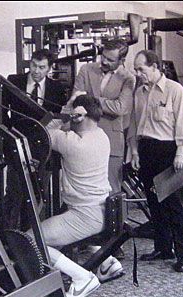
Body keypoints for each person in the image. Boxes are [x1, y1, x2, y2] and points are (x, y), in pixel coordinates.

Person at [27, 93, 124, 297]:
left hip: (85, 215)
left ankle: (82, 278)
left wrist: (65, 112)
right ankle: (106, 263)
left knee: (31, 239)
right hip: (104, 209)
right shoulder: (102, 136)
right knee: (61, 218)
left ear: (79, 115)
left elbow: (42, 132)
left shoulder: (71, 142)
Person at [127, 50, 183, 272]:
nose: (138, 73)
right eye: (136, 70)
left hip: (168, 152)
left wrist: (181, 153)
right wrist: (134, 152)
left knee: (174, 206)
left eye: (141, 69)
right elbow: (135, 126)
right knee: (154, 203)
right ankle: (163, 248)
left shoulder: (175, 91)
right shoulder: (139, 92)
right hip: (146, 150)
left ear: (155, 67)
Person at [73, 40, 135, 259]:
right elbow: (75, 99)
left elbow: (121, 108)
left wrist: (90, 102)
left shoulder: (128, 78)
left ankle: (113, 241)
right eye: (103, 57)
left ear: (121, 60)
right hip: (84, 138)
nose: (104, 62)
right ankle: (86, 238)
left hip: (112, 141)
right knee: (85, 190)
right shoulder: (86, 69)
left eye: (110, 59)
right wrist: (97, 103)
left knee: (112, 192)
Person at [2, 49, 67, 230]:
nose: (36, 71)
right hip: (17, 146)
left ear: (49, 69)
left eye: (41, 67)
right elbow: (1, 113)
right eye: (33, 65)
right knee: (14, 194)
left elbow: (60, 118)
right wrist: (11, 135)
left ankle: (30, 236)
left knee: (38, 194)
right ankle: (8, 237)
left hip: (43, 151)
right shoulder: (14, 82)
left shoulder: (57, 89)